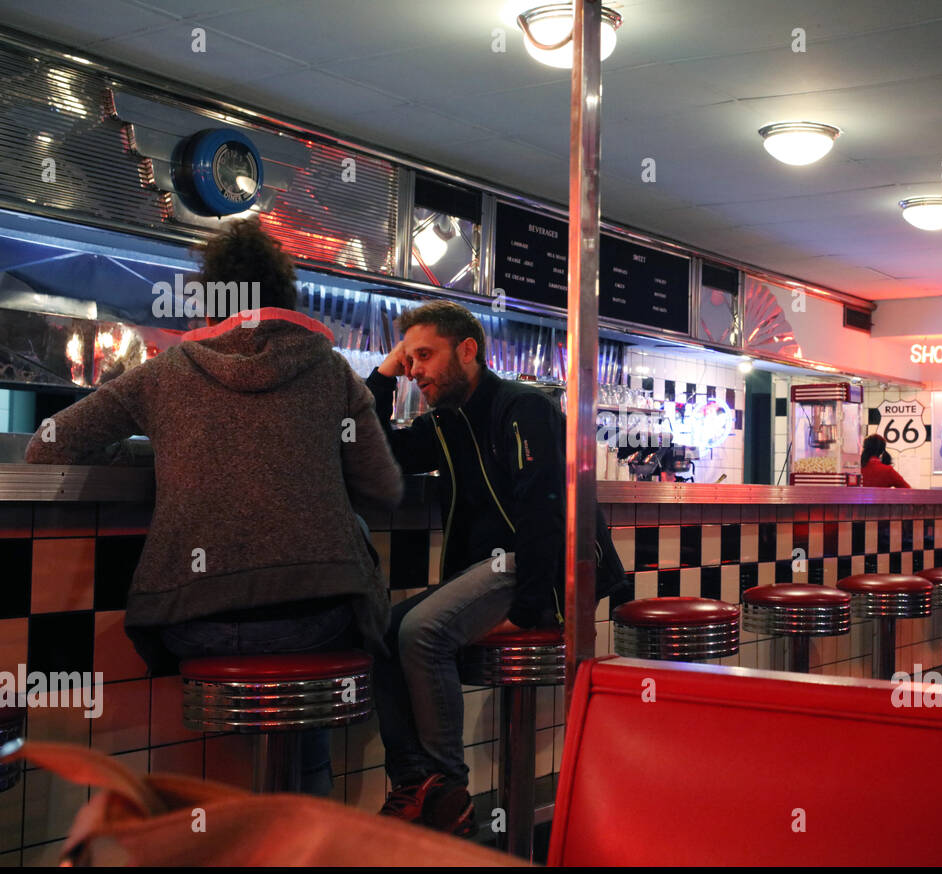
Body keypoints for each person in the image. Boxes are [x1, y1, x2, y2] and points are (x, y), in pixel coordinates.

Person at [25, 219, 403, 795]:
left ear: (210, 300)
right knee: (316, 707)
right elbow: (383, 485)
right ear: (285, 298)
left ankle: (243, 835)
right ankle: (306, 834)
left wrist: (161, 454)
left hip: (192, 621)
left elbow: (46, 446)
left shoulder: (162, 374)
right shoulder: (333, 374)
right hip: (312, 620)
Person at [365, 300, 625, 835]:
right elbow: (375, 449)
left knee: (421, 629)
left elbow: (543, 510)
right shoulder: (446, 421)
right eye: (409, 359)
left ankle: (448, 792)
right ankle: (414, 784)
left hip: (546, 570)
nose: (415, 370)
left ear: (468, 351)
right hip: (494, 567)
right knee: (385, 632)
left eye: (424, 356)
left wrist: (532, 610)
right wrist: (384, 373)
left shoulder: (521, 407)